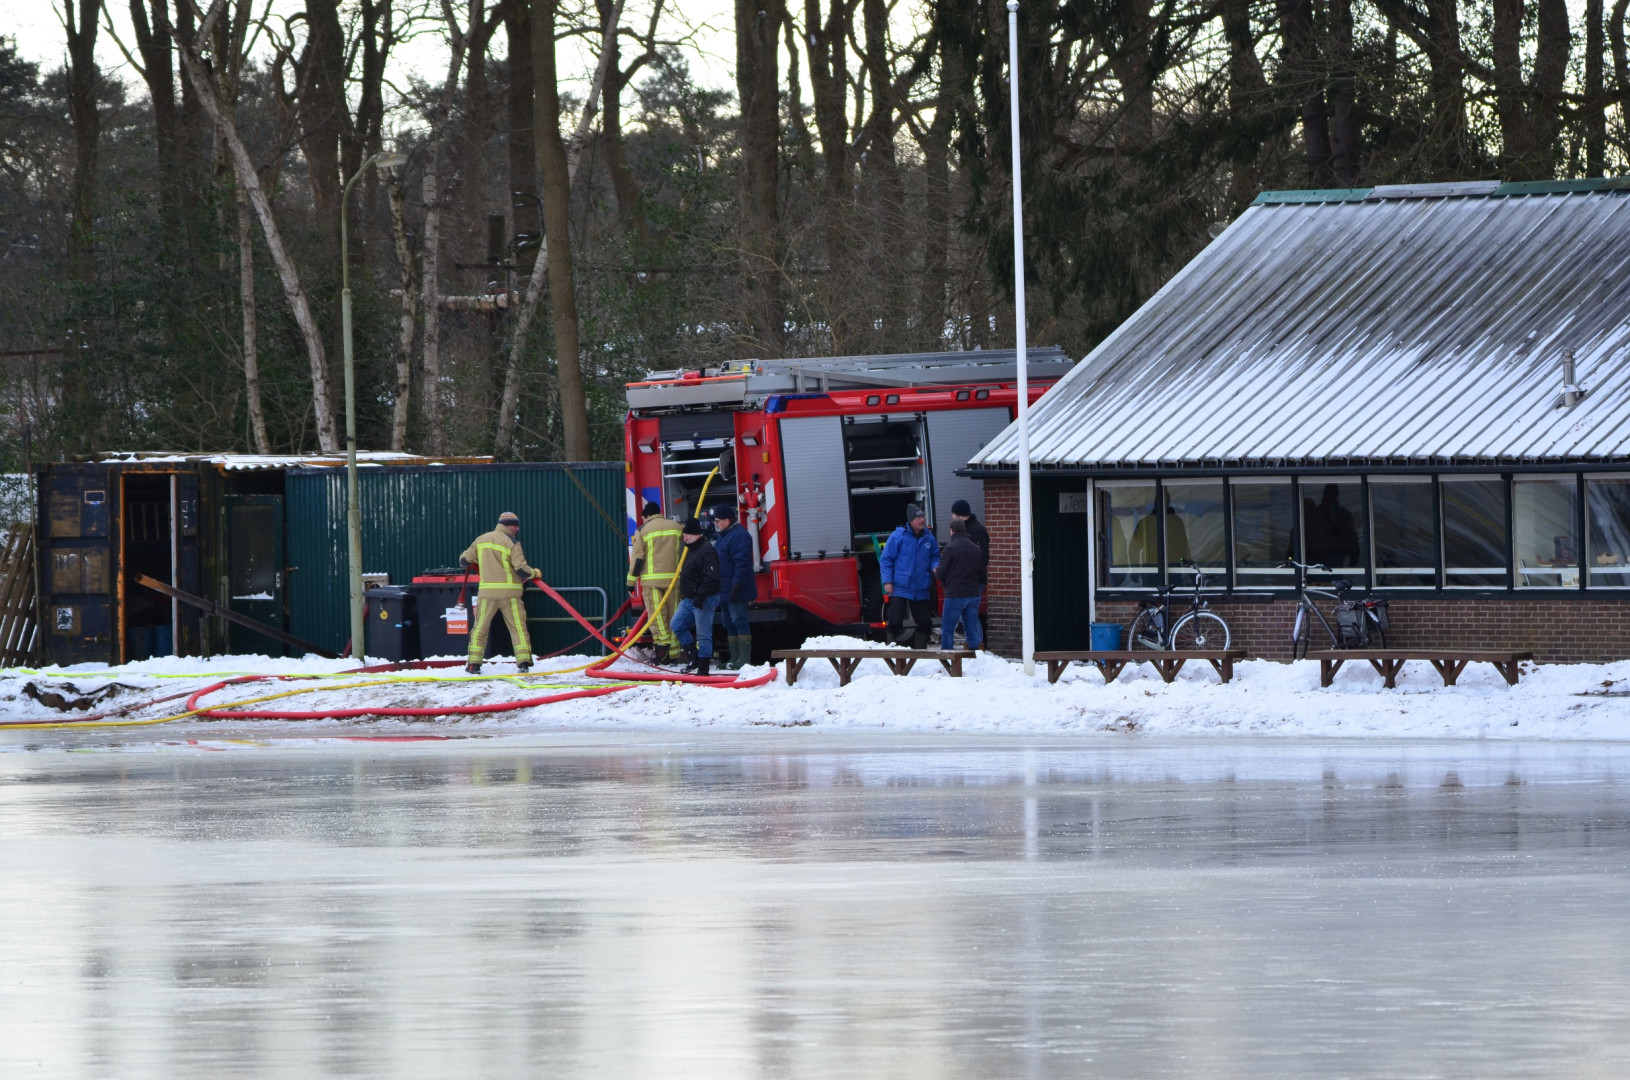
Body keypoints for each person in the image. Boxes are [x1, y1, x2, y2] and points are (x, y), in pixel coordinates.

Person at [459, 511, 541, 674]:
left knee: (480, 628)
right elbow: (521, 569)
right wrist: (535, 573)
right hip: (510, 594)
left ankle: (474, 664)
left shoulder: (481, 540)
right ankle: (523, 663)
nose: (517, 529)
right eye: (516, 526)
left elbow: (464, 561)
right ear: (508, 525)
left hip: (487, 594)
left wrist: (478, 561)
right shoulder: (512, 543)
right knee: (517, 628)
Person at [627, 501, 682, 662]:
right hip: (673, 581)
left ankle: (662, 652)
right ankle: (674, 653)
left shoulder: (642, 530)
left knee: (658, 617)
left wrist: (631, 582)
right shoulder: (676, 527)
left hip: (652, 582)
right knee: (673, 616)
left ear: (647, 515)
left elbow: (638, 558)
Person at [879, 503, 939, 648]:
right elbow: (886, 559)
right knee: (895, 621)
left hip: (921, 586)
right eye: (918, 518)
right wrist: (887, 581)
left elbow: (935, 556)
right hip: (900, 586)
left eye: (923, 517)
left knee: (924, 622)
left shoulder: (929, 538)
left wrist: (936, 566)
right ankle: (891, 652)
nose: (922, 520)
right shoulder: (898, 536)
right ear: (911, 521)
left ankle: (920, 653)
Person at [669, 517, 721, 675]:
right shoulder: (692, 551)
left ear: (696, 535)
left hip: (704, 599)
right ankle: (694, 657)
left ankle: (703, 668)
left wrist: (700, 596)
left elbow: (711, 577)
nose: (684, 538)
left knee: (703, 634)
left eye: (687, 535)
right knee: (676, 624)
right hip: (690, 599)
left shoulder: (706, 551)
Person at [711, 503, 757, 669]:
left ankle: (743, 659)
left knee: (739, 621)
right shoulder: (725, 536)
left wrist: (737, 586)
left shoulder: (739, 536)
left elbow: (742, 563)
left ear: (728, 520)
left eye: (718, 520)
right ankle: (734, 658)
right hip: (725, 589)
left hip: (735, 589)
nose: (716, 524)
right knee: (729, 623)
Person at [935, 517, 983, 652]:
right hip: (973, 594)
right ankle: (976, 655)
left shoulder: (950, 548)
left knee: (948, 629)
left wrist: (936, 571)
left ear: (952, 531)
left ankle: (947, 657)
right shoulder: (976, 548)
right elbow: (981, 573)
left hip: (955, 594)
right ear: (964, 529)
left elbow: (940, 574)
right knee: (971, 628)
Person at [949, 499, 990, 593]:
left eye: (953, 514)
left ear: (958, 514)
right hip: (962, 579)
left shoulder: (977, 530)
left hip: (974, 580)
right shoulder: (961, 528)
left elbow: (983, 556)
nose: (952, 516)